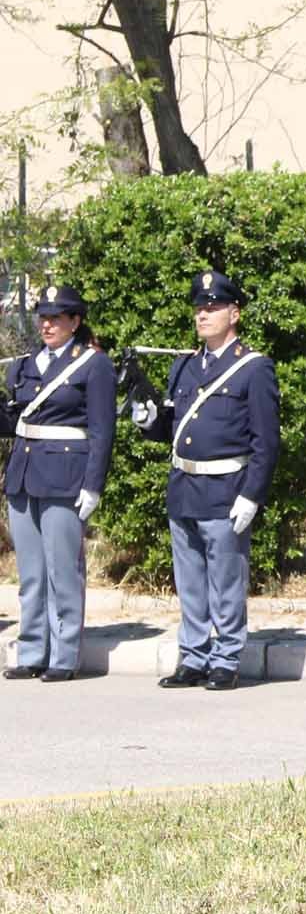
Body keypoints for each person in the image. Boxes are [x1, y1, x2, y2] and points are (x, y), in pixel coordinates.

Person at [132, 271, 279, 692]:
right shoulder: (185, 366)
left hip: (226, 489)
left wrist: (252, 494)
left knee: (226, 580)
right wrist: (148, 422)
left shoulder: (253, 368)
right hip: (185, 486)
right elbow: (174, 427)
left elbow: (266, 441)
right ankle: (193, 656)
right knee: (191, 581)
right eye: (200, 307)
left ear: (235, 313)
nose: (204, 314)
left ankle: (226, 657)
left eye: (213, 307)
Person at [2, 286, 115, 683]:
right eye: (44, 317)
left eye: (58, 317)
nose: (47, 324)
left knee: (63, 570)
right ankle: (33, 649)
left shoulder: (92, 364)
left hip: (66, 476)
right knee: (31, 572)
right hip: (24, 473)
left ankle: (64, 655)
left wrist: (93, 484)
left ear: (75, 321)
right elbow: (13, 421)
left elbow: (102, 430)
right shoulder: (23, 364)